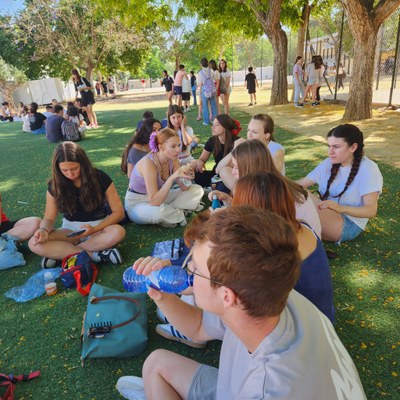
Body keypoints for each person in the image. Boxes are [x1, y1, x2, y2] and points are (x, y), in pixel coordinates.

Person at [116, 206, 366, 400]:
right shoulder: (268, 292)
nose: (186, 270)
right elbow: (199, 327)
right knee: (156, 364)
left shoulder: (269, 389)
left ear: (227, 296)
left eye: (195, 268)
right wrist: (162, 295)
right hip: (234, 387)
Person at [230, 172, 334, 322]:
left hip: (300, 330)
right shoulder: (302, 226)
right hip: (322, 320)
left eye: (236, 200)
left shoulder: (269, 250)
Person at [28, 142, 126, 268]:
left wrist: (95, 229)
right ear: (58, 168)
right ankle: (94, 255)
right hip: (70, 231)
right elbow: (49, 218)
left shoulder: (100, 177)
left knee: (118, 232)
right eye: (64, 170)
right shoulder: (55, 185)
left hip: (99, 227)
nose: (70, 174)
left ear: (83, 164)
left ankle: (62, 254)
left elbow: (119, 212)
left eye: (74, 169)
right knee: (34, 243)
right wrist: (43, 230)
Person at [214, 139, 321, 237]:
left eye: (236, 167)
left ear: (250, 168)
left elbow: (249, 229)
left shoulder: (266, 191)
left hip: (298, 249)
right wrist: (229, 201)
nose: (233, 172)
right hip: (308, 244)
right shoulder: (273, 183)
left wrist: (221, 217)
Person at [297, 124, 383, 243]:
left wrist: (341, 208)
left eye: (336, 147)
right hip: (327, 214)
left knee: (295, 195)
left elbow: (371, 210)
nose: (330, 152)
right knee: (293, 191)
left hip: (348, 224)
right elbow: (300, 184)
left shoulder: (369, 169)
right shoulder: (329, 163)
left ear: (353, 147)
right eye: (329, 146)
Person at [124, 128, 204, 228]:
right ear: (161, 147)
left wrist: (187, 177)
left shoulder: (173, 159)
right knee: (159, 214)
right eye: (173, 146)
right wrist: (172, 178)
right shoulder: (148, 163)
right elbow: (154, 201)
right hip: (138, 203)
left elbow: (185, 188)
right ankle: (178, 210)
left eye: (179, 145)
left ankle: (174, 212)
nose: (178, 150)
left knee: (197, 190)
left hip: (160, 197)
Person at [217, 113, 285, 183]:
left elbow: (273, 176)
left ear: (266, 135)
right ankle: (241, 192)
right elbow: (218, 170)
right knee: (224, 170)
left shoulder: (276, 149)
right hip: (250, 185)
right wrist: (234, 150)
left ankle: (241, 192)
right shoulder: (247, 147)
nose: (249, 135)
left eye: (254, 132)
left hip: (267, 187)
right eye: (248, 130)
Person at [191, 114, 241, 188]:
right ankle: (213, 185)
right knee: (196, 173)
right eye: (213, 124)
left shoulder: (237, 142)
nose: (213, 127)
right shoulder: (212, 141)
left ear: (225, 127)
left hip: (230, 173)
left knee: (222, 185)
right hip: (216, 173)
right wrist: (200, 162)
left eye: (216, 125)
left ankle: (214, 186)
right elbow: (202, 159)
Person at [198, 57, 218, 126]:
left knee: (205, 106)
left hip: (205, 90)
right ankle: (214, 120)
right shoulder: (211, 70)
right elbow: (215, 79)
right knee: (213, 106)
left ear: (201, 64)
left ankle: (206, 121)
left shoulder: (200, 73)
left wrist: (200, 92)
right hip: (212, 90)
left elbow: (200, 83)